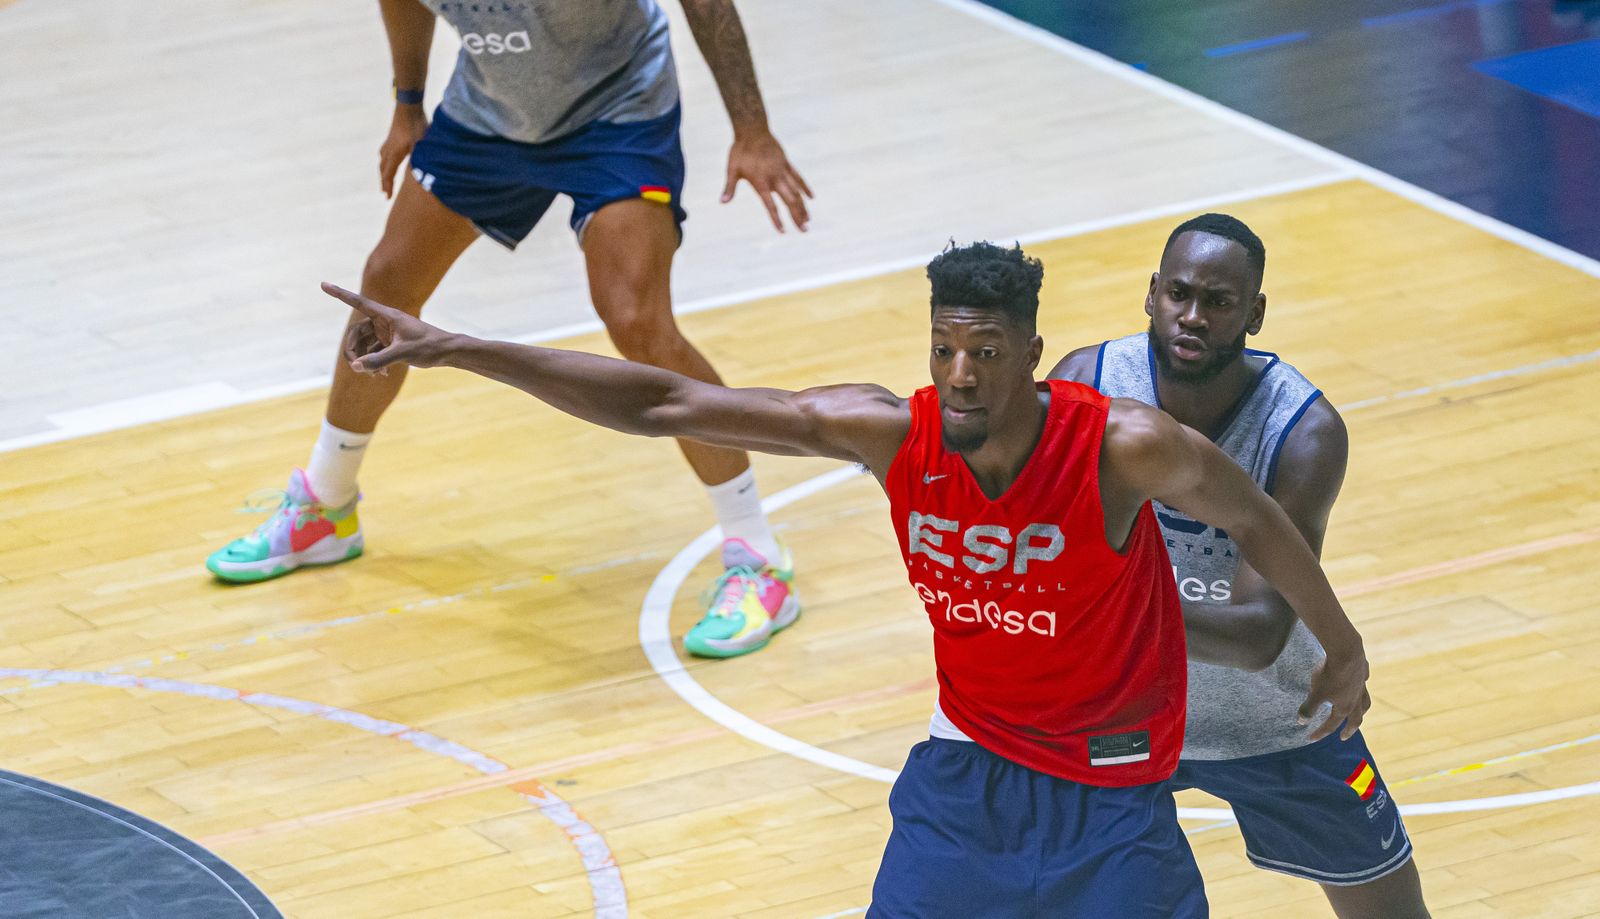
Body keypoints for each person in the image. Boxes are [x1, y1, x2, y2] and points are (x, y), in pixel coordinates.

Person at [320, 240, 1373, 916]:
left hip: (1112, 794)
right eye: (946, 347)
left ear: (1031, 354)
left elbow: (1261, 521)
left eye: (988, 351)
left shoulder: (1123, 447)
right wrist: (456, 347)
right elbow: (658, 404)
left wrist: (1342, 643)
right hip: (969, 777)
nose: (962, 373)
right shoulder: (886, 434)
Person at [206, 0, 813, 660]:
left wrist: (752, 130)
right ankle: (327, 505)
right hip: (489, 113)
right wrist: (408, 102)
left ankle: (756, 552)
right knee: (385, 286)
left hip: (618, 109)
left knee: (636, 320)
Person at [1050, 213, 1429, 918]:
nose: (1193, 316)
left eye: (1219, 302)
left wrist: (1102, 607)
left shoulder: (1304, 429)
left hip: (1281, 720)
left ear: (1254, 312)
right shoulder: (1088, 382)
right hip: (1120, 717)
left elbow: (1258, 634)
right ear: (1151, 293)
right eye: (1179, 294)